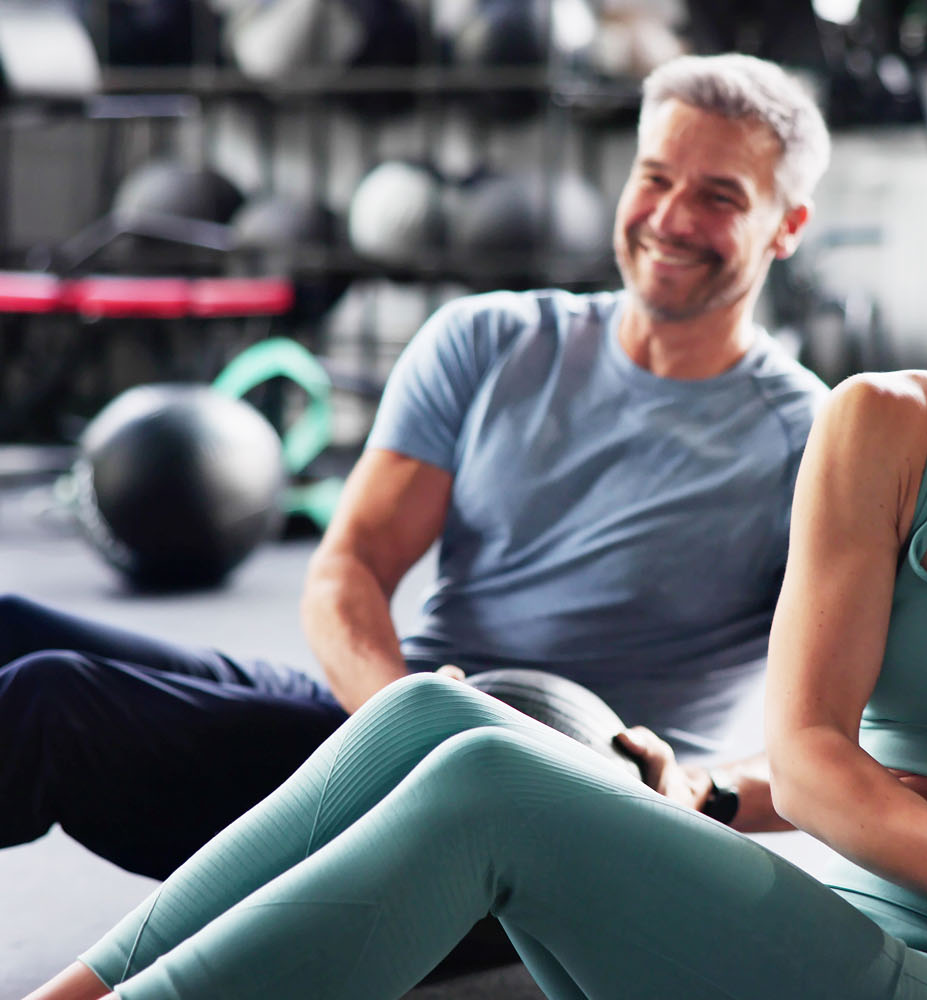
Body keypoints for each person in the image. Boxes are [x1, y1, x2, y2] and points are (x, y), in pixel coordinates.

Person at [25, 36, 927, 1000]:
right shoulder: (884, 427)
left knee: (488, 784)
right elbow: (808, 758)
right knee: (433, 720)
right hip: (822, 921)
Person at [0, 49, 830, 885]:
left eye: (720, 196)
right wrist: (404, 718)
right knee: (11, 624)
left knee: (49, 706)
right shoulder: (491, 339)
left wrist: (702, 791)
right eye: (656, 178)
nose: (672, 218)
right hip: (398, 715)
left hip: (548, 793)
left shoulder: (813, 442)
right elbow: (349, 565)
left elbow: (844, 740)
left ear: (787, 226)